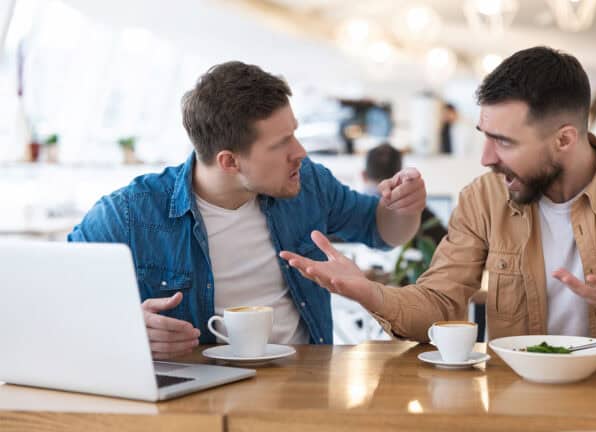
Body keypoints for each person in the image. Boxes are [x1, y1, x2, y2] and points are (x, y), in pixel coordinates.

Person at [280, 46, 596, 352]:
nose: (484, 158)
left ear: (564, 139)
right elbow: (439, 303)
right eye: (484, 135)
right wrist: (371, 293)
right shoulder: (482, 200)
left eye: (503, 142)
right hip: (513, 407)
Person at [68, 61, 427, 359]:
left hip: (304, 386)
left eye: (295, 134)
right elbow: (57, 298)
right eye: (281, 143)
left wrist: (405, 208)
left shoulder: (309, 182)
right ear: (229, 162)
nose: (300, 151)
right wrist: (125, 327)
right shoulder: (130, 212)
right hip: (195, 398)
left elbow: (382, 231)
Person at [362, 143, 447, 248]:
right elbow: (446, 246)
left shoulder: (351, 215)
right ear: (399, 175)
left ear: (363, 175)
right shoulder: (422, 215)